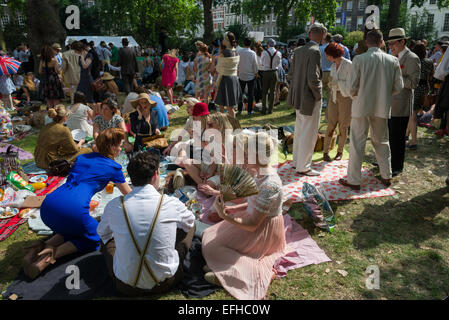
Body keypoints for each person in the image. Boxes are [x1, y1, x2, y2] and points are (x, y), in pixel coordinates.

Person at [24, 128, 132, 280]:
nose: (121, 149)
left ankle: (41, 246)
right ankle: (51, 256)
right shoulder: (114, 167)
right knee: (95, 237)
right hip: (72, 210)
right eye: (120, 145)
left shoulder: (83, 158)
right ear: (112, 147)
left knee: (73, 226)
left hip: (48, 205)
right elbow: (129, 195)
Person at [202, 132, 287, 300]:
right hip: (255, 219)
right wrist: (234, 209)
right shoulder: (259, 172)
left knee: (213, 247)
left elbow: (254, 224)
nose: (244, 158)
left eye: (247, 155)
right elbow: (252, 202)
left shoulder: (270, 185)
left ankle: (256, 274)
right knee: (208, 238)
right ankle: (226, 269)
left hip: (263, 231)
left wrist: (224, 216)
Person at [98, 151, 195, 296]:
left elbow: (103, 233)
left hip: (125, 284)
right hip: (166, 282)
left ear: (130, 177)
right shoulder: (171, 203)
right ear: (156, 174)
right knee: (190, 224)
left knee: (106, 238)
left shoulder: (114, 206)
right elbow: (188, 222)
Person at [339, 29, 404, 190]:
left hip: (361, 106)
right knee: (382, 141)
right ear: (381, 42)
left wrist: (353, 95)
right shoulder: (392, 60)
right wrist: (385, 95)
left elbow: (351, 87)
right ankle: (386, 175)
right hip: (382, 106)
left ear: (367, 43)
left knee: (357, 143)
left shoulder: (359, 59)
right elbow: (399, 87)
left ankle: (354, 180)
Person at [287, 23, 326, 176]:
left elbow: (290, 75)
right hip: (309, 98)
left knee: (300, 130)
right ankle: (303, 166)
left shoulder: (298, 51)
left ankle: (297, 162)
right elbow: (313, 78)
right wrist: (319, 95)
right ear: (322, 33)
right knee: (308, 133)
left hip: (298, 97)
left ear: (310, 34)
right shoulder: (314, 51)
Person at [386, 28, 421, 177]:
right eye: (389, 44)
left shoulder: (412, 58)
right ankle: (386, 161)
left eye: (393, 43)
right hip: (388, 104)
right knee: (387, 136)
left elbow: (413, 83)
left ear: (402, 41)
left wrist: (394, 77)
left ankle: (397, 166)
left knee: (398, 137)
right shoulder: (392, 56)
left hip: (401, 105)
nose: (391, 47)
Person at [34, 105, 92, 170]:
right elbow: (74, 149)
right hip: (50, 162)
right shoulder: (64, 129)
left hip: (38, 158)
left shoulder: (47, 126)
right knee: (87, 150)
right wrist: (80, 142)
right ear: (65, 117)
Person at [322, 42, 353, 162]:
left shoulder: (349, 65)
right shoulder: (333, 66)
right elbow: (333, 81)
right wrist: (331, 83)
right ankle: (326, 151)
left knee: (343, 126)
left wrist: (337, 83)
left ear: (332, 54)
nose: (326, 58)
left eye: (327, 55)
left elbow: (351, 85)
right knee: (331, 124)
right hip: (334, 97)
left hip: (345, 97)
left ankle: (339, 151)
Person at [406, 43, 434, 149]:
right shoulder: (429, 62)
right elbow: (431, 76)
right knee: (413, 114)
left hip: (414, 88)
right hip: (424, 89)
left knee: (412, 116)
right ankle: (406, 135)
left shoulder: (413, 60)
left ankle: (414, 142)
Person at [215, 32, 242, 118]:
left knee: (225, 106)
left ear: (226, 40)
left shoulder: (226, 52)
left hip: (226, 79)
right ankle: (232, 125)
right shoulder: (236, 51)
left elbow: (218, 68)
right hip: (234, 78)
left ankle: (226, 124)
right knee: (230, 107)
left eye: (223, 39)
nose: (222, 41)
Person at [237, 37, 258, 115]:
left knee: (240, 93)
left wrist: (238, 72)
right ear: (250, 44)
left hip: (241, 75)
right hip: (250, 76)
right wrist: (256, 73)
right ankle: (249, 110)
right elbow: (255, 64)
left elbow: (237, 63)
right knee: (250, 94)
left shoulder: (239, 52)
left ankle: (239, 109)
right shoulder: (252, 53)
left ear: (244, 43)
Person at [260, 38, 281, 115]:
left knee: (264, 91)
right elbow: (279, 63)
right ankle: (270, 109)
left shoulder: (264, 52)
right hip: (274, 72)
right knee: (273, 91)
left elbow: (261, 63)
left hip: (266, 72)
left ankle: (264, 109)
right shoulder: (278, 53)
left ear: (268, 44)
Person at [319, 33, 333, 108]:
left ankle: (320, 104)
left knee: (320, 90)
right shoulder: (332, 47)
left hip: (322, 71)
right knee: (329, 92)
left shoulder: (319, 48)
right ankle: (329, 105)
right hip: (331, 71)